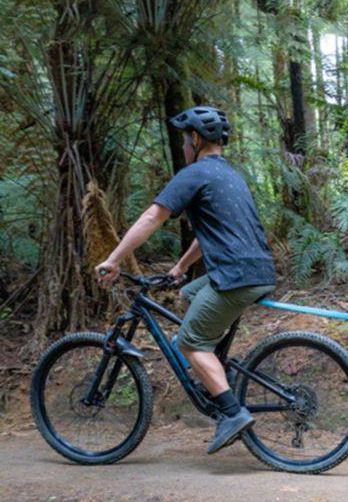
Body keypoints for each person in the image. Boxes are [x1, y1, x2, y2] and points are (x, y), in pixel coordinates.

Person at [95, 107, 276, 454]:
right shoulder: (230, 175)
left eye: (184, 140)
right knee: (189, 294)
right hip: (256, 270)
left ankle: (231, 412)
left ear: (195, 139)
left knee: (189, 343)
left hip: (235, 276)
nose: (183, 147)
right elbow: (209, 233)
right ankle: (217, 370)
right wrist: (179, 267)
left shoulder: (193, 174)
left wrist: (114, 259)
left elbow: (153, 216)